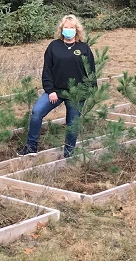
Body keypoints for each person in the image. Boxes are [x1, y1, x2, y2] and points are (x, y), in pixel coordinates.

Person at [17, 15, 95, 158]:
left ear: (77, 30)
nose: (69, 30)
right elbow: (47, 70)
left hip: (76, 93)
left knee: (72, 123)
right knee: (36, 113)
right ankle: (31, 147)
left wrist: (88, 91)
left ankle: (69, 153)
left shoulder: (83, 48)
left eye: (72, 27)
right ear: (61, 29)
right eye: (66, 27)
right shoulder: (54, 46)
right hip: (56, 91)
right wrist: (50, 90)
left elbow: (90, 71)